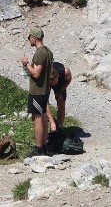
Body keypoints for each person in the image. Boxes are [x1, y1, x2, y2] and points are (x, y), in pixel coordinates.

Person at [20, 27, 53, 156]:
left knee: (37, 119)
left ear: (34, 38)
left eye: (29, 38)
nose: (29, 41)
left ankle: (39, 149)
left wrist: (26, 62)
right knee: (43, 117)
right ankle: (44, 146)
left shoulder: (39, 53)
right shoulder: (48, 52)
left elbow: (36, 73)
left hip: (37, 92)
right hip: (45, 90)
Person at [46, 61, 72, 132]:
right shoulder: (44, 78)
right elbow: (44, 103)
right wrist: (52, 121)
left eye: (54, 82)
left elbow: (69, 79)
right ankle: (50, 123)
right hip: (46, 83)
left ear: (57, 76)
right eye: (51, 82)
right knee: (44, 102)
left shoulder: (65, 72)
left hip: (60, 84)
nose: (53, 84)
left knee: (61, 102)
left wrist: (60, 91)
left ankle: (60, 126)